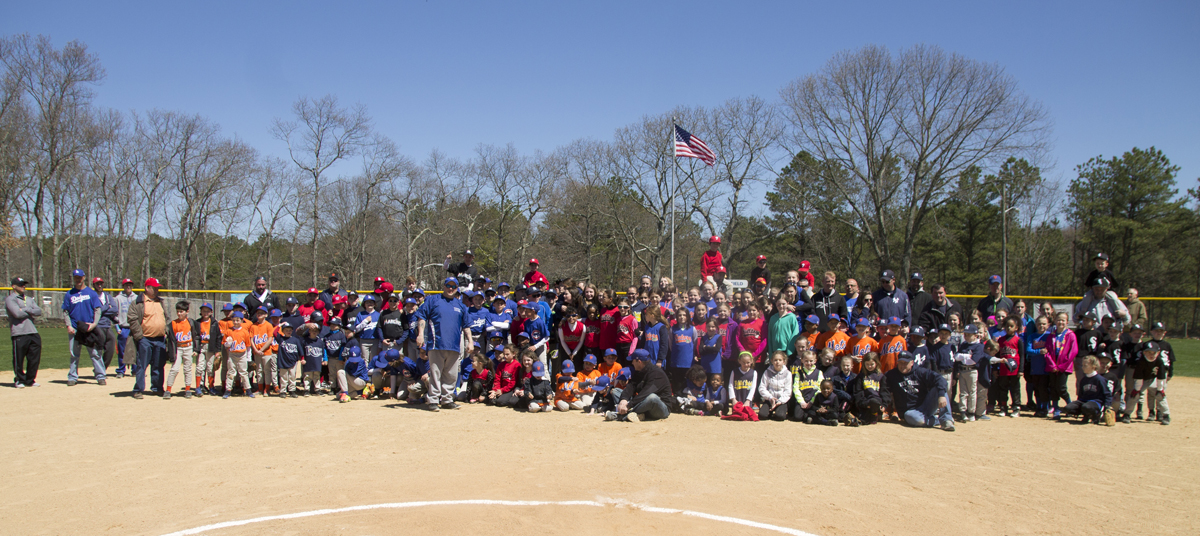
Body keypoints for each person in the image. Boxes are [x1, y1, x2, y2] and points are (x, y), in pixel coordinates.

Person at [415, 277, 474, 411]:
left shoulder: (460, 305)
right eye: (448, 285)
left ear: (457, 288)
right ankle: (434, 400)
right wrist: (420, 334)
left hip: (454, 345)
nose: (451, 288)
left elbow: (466, 325)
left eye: (454, 286)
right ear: (444, 286)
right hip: (437, 344)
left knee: (451, 374)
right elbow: (422, 316)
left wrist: (470, 341)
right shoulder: (433, 300)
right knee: (436, 373)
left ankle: (447, 399)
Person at [885, 351, 955, 431]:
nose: (902, 366)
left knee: (939, 387)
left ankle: (946, 420)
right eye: (900, 363)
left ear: (911, 363)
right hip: (910, 412)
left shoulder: (920, 372)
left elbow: (940, 379)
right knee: (913, 418)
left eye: (905, 363)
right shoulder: (891, 375)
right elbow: (884, 390)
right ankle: (935, 420)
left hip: (926, 405)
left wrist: (941, 395)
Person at [63, 269, 106, 387]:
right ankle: (72, 377)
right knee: (74, 354)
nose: (78, 279)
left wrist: (94, 324)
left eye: (80, 277)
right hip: (75, 328)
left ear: (84, 278)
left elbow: (97, 310)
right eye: (76, 277)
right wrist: (68, 325)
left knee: (95, 353)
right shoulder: (69, 294)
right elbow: (65, 311)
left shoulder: (91, 293)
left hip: (88, 328)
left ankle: (101, 376)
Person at [609, 349, 672, 422]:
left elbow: (645, 393)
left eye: (633, 360)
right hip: (642, 405)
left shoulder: (656, 373)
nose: (632, 363)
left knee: (652, 398)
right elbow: (631, 386)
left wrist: (629, 405)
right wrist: (624, 399)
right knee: (616, 391)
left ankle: (620, 416)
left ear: (639, 362)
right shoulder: (639, 370)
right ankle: (637, 413)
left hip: (661, 409)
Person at [1121, 341, 1170, 425]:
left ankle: (1166, 415)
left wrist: (1159, 389)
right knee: (1134, 395)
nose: (1151, 355)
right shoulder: (1141, 362)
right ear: (1144, 353)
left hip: (1154, 379)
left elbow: (1161, 377)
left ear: (1158, 353)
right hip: (1142, 380)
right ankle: (1127, 414)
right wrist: (1137, 390)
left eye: (1153, 352)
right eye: (1148, 352)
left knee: (1160, 395)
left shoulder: (1159, 361)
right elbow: (1139, 378)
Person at [7, 276, 43, 388]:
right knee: (19, 358)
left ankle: (30, 379)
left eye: (24, 284)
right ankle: (19, 379)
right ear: (14, 286)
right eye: (21, 284)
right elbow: (17, 314)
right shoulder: (11, 299)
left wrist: (25, 309)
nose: (23, 286)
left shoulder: (28, 299)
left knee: (34, 357)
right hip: (19, 332)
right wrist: (30, 311)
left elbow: (38, 311)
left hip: (32, 331)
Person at [1040, 312, 1077, 418]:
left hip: (1063, 367)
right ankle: (1056, 408)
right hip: (1052, 367)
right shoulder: (1051, 335)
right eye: (1058, 320)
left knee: (1061, 388)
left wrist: (1061, 367)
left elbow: (1073, 352)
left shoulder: (1070, 335)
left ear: (1067, 322)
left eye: (1063, 320)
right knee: (1053, 388)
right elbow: (1047, 351)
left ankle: (1071, 406)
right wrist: (1053, 366)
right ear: (1055, 321)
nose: (1061, 322)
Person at [1060, 355, 1111, 424]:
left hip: (1096, 402)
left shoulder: (1100, 379)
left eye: (1085, 365)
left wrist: (1107, 407)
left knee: (1086, 407)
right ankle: (1086, 414)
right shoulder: (1084, 379)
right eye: (1082, 365)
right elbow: (1081, 394)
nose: (1082, 367)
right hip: (1084, 401)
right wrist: (1077, 404)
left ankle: (1095, 415)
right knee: (1068, 408)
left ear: (1093, 367)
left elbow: (1107, 394)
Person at [163, 301, 199, 399]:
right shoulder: (173, 323)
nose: (179, 314)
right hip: (178, 348)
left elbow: (195, 336)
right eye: (178, 311)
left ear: (187, 311)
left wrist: (195, 348)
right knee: (174, 369)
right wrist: (171, 353)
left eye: (181, 311)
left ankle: (187, 389)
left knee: (187, 369)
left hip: (188, 347)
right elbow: (170, 340)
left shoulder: (191, 322)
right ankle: (168, 389)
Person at [220, 311, 255, 399]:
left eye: (237, 320)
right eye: (234, 320)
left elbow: (248, 345)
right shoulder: (229, 331)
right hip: (232, 354)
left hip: (242, 354)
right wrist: (227, 344)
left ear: (242, 321)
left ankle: (248, 390)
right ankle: (228, 390)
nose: (235, 322)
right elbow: (224, 344)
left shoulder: (245, 332)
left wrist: (248, 357)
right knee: (231, 372)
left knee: (243, 372)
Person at [90, 277, 119, 372]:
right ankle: (99, 371)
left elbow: (115, 309)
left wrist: (101, 311)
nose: (99, 285)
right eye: (97, 284)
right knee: (97, 350)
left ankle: (101, 369)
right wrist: (106, 306)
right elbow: (93, 311)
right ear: (94, 285)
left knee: (110, 349)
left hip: (107, 325)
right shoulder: (92, 296)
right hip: (97, 326)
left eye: (101, 283)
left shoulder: (107, 296)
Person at [757, 351, 792, 421]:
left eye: (780, 360)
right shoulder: (767, 372)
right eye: (775, 360)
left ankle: (778, 410)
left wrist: (780, 401)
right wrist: (770, 397)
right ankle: (769, 411)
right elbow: (762, 387)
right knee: (762, 415)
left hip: (781, 401)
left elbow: (788, 391)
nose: (777, 362)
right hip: (770, 399)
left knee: (780, 416)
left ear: (784, 362)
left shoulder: (788, 373)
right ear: (772, 361)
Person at [790, 350, 823, 422]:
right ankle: (807, 417)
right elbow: (795, 388)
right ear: (802, 360)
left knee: (816, 413)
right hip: (802, 400)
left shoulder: (819, 373)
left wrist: (812, 401)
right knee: (797, 417)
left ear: (815, 361)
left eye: (811, 361)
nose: (809, 363)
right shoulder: (799, 373)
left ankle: (808, 417)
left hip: (814, 401)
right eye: (806, 361)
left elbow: (820, 389)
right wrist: (802, 402)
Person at [113, 279, 137, 378]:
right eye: (126, 285)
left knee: (135, 349)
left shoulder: (136, 297)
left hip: (134, 327)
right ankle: (121, 370)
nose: (128, 286)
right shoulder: (118, 298)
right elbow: (114, 314)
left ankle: (135, 370)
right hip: (123, 327)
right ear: (123, 286)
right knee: (122, 350)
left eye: (130, 285)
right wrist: (117, 327)